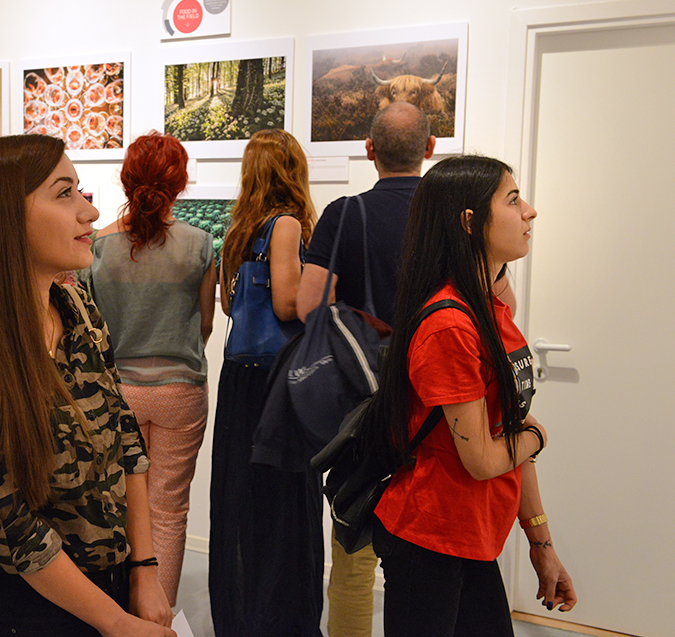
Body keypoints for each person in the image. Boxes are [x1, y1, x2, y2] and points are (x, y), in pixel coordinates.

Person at [0, 134, 175, 637]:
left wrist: (145, 571)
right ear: (5, 217)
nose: (89, 213)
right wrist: (115, 623)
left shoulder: (75, 307)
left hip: (118, 585)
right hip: (40, 610)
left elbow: (126, 439)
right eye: (64, 193)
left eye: (80, 191)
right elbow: (10, 523)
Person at [367, 155, 577, 636]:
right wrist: (538, 436)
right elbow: (482, 458)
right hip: (429, 539)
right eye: (512, 199)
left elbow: (505, 433)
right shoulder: (450, 325)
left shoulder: (491, 309)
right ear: (469, 221)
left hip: (474, 538)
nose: (530, 211)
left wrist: (541, 542)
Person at [296, 101, 435, 637]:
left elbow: (312, 307)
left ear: (370, 151)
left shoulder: (344, 213)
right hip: (441, 404)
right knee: (427, 561)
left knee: (354, 557)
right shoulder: (452, 215)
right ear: (429, 149)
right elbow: (500, 304)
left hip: (363, 403)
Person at [84, 131, 215, 606]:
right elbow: (204, 325)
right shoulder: (199, 245)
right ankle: (158, 618)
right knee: (168, 509)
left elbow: (91, 328)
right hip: (181, 392)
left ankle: (118, 612)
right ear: (178, 184)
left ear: (126, 180)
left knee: (119, 506)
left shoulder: (98, 247)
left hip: (117, 392)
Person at [210, 129, 321, 637]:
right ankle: (280, 618)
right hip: (278, 380)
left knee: (243, 501)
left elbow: (232, 306)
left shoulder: (238, 228)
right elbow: (286, 305)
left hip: (240, 377)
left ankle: (243, 612)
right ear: (292, 170)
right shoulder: (287, 226)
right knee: (285, 506)